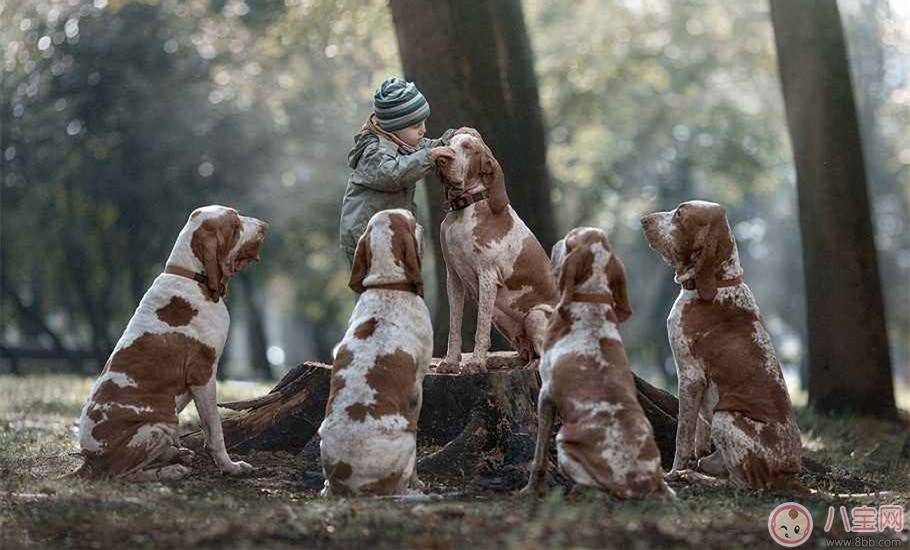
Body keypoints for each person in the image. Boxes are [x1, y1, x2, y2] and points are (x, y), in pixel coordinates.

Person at [339, 77, 455, 266]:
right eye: (416, 126)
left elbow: (428, 147)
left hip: (391, 232)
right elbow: (392, 174)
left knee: (403, 276)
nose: (423, 130)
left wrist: (452, 139)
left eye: (423, 123)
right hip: (367, 237)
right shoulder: (373, 151)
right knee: (380, 284)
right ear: (394, 128)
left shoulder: (402, 142)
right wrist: (430, 156)